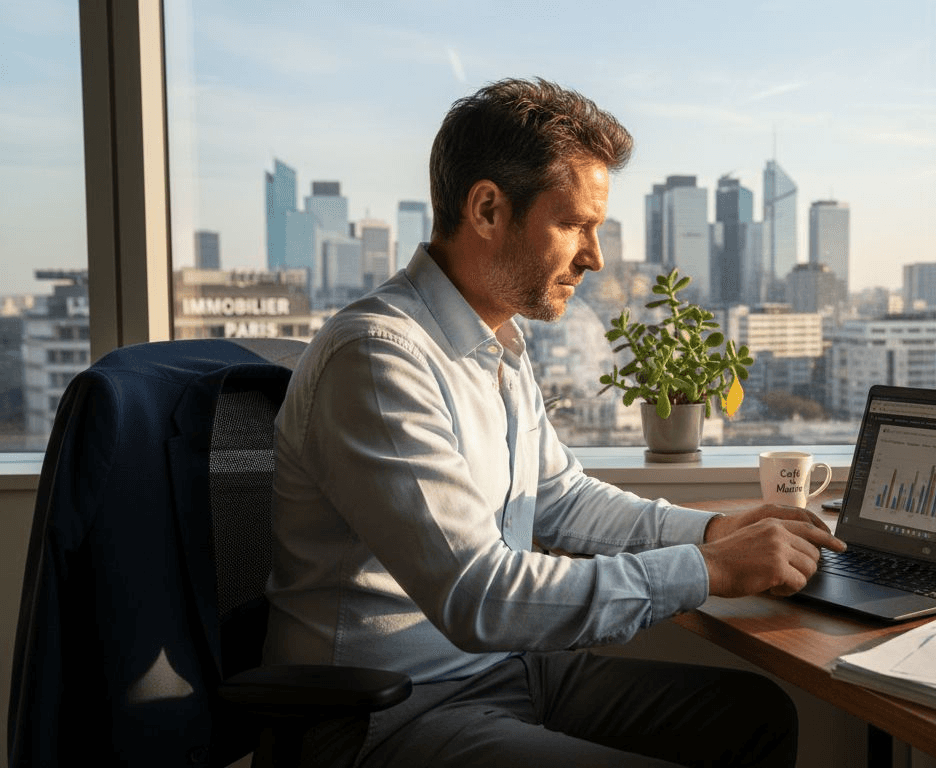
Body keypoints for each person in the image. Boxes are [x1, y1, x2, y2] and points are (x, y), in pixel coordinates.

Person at [264, 77, 845, 767]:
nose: (595, 257)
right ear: (487, 209)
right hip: (390, 712)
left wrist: (716, 531)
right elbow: (476, 595)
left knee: (756, 719)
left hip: (505, 672)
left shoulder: (499, 342)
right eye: (575, 225)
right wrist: (707, 568)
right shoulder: (378, 359)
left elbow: (562, 498)